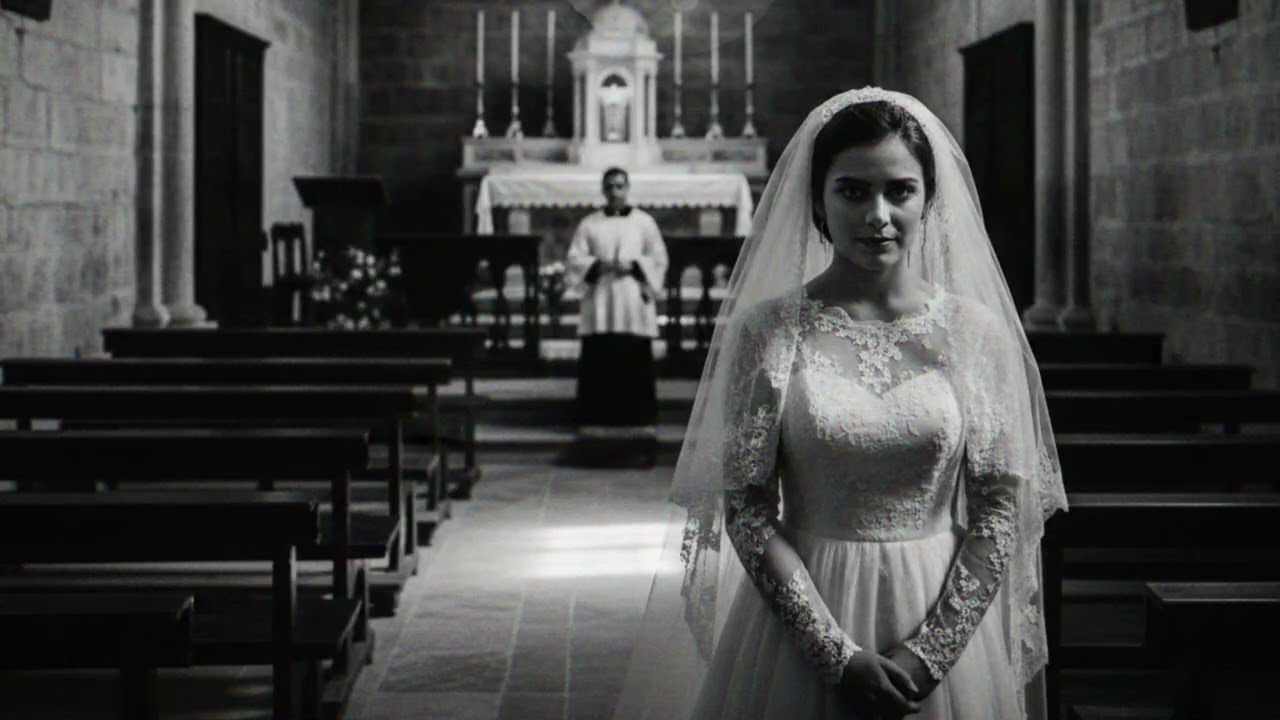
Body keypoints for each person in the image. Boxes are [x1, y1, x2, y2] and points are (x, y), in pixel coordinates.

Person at [613, 88, 1067, 719]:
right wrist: (832, 652)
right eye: (853, 191)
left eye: (899, 191)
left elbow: (1000, 506)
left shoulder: (976, 333)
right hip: (803, 610)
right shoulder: (768, 330)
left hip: (941, 609)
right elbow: (745, 504)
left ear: (928, 200)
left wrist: (930, 653)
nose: (877, 214)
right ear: (819, 201)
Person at [565, 167, 669, 462]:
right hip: (600, 302)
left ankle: (637, 418)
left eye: (620, 185)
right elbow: (574, 259)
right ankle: (597, 418)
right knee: (600, 357)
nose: (615, 191)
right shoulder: (589, 224)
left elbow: (659, 258)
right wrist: (598, 266)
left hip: (631, 302)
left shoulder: (644, 223)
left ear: (628, 188)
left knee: (633, 358)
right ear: (603, 190)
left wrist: (635, 267)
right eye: (610, 186)